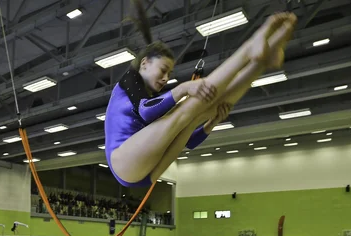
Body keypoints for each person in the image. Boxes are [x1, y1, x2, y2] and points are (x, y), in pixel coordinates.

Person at [104, 1, 296, 187]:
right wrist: (182, 89)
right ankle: (248, 50)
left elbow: (188, 141)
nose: (165, 78)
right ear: (144, 63)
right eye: (163, 70)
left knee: (205, 110)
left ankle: (259, 63)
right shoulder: (129, 80)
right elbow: (145, 111)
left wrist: (210, 123)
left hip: (144, 171)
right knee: (186, 109)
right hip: (124, 161)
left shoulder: (152, 100)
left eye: (169, 74)